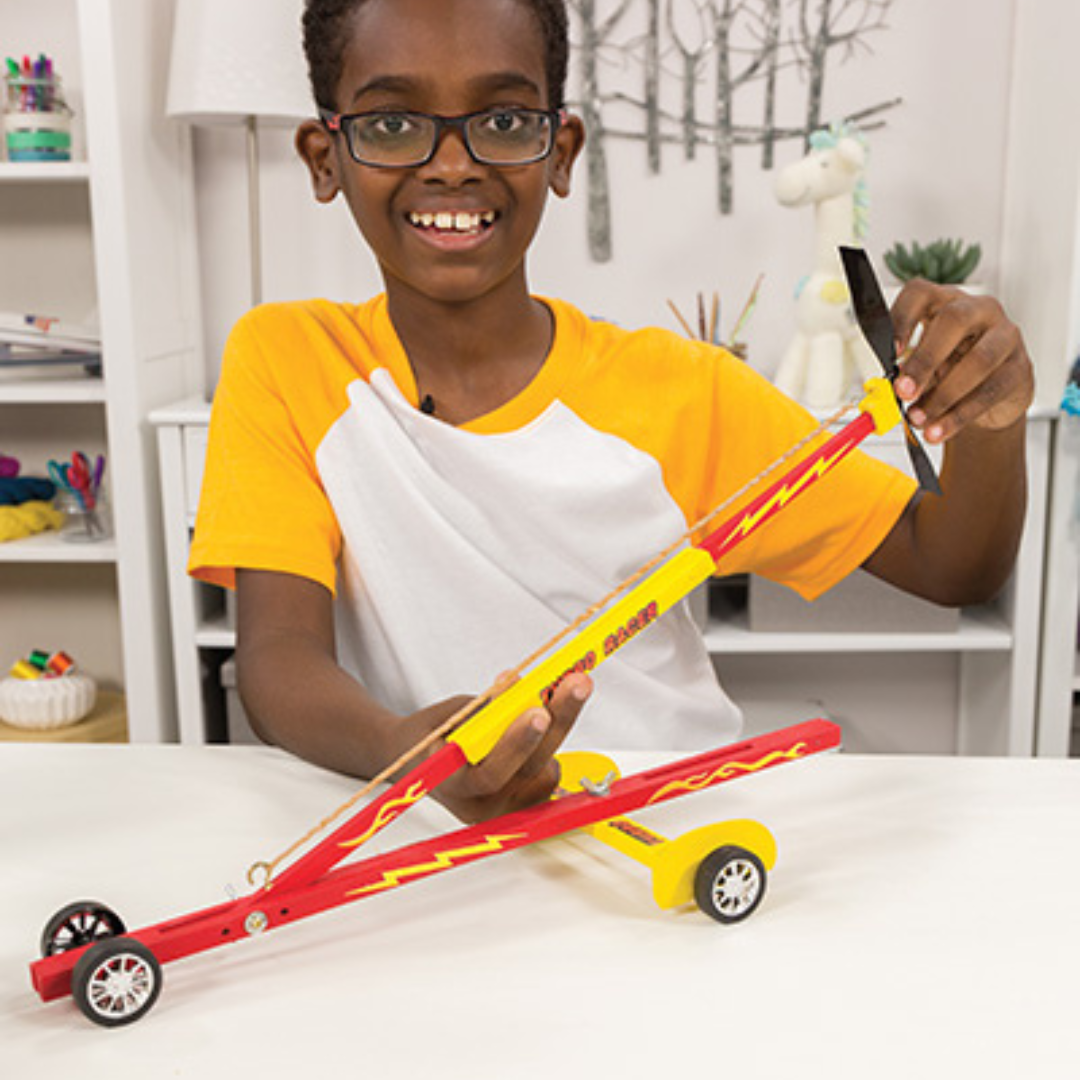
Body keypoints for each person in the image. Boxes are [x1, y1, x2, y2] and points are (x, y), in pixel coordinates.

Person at [189, 0, 1034, 823]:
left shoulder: (682, 388)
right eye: (391, 124)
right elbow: (277, 661)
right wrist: (411, 752)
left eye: (505, 120)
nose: (451, 165)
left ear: (560, 152)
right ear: (323, 158)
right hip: (426, 840)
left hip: (668, 825)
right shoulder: (287, 358)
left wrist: (990, 422)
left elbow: (951, 565)